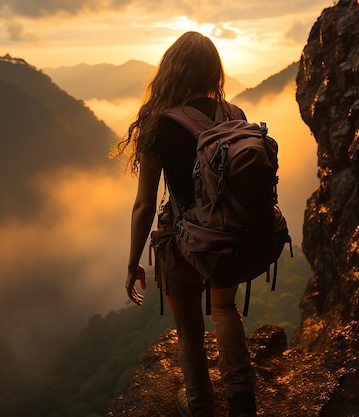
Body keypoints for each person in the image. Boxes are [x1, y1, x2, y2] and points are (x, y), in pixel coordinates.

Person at [112, 32, 257, 417]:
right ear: (214, 70)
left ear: (172, 72)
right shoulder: (236, 115)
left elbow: (144, 204)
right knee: (225, 311)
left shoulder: (159, 124)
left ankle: (199, 406)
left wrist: (132, 264)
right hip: (229, 237)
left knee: (190, 333)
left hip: (182, 244)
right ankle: (243, 400)